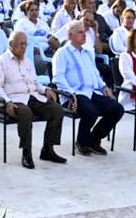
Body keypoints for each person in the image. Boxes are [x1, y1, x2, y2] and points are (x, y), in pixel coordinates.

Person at [0, 31, 67, 168]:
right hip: (11, 98)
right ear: (11, 44)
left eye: (25, 44)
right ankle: (27, 153)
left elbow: (36, 83)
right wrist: (7, 101)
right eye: (21, 44)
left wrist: (45, 90)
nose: (24, 47)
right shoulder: (0, 62)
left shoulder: (27, 61)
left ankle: (48, 149)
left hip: (31, 96)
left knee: (56, 110)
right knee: (25, 112)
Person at [53, 22, 125, 156]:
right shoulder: (62, 53)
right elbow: (58, 78)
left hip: (91, 92)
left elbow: (95, 74)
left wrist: (103, 86)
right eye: (80, 32)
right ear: (70, 35)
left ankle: (93, 140)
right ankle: (82, 142)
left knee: (117, 109)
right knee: (91, 112)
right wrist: (71, 94)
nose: (84, 35)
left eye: (84, 32)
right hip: (75, 94)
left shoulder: (87, 52)